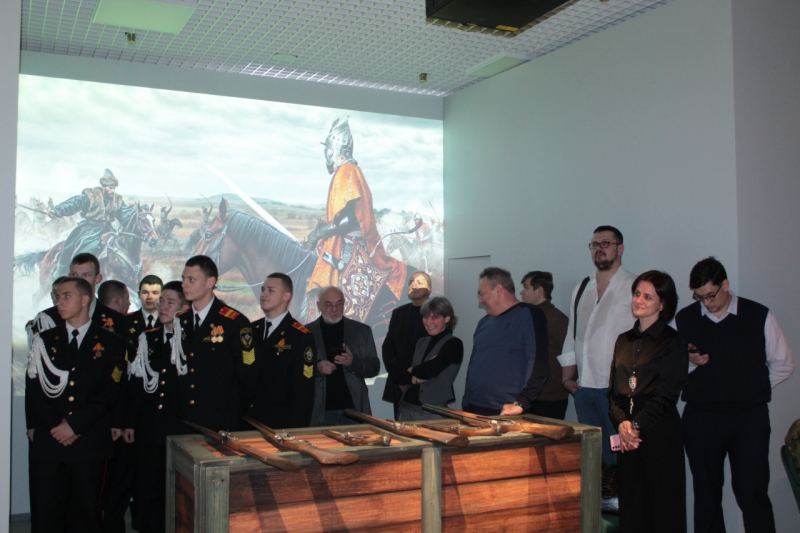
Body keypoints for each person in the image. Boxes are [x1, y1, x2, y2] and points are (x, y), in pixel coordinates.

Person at [675, 257, 794, 533]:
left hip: (748, 419)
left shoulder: (759, 315)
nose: (707, 303)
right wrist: (690, 363)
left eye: (711, 295)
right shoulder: (684, 319)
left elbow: (784, 363)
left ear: (725, 285)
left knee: (752, 492)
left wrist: (751, 387)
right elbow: (672, 371)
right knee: (706, 493)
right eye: (700, 297)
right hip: (701, 417)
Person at [26, 277, 124, 532]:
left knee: (87, 515)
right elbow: (35, 391)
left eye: (66, 296)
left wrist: (74, 426)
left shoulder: (111, 342)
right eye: (58, 297)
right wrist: (56, 427)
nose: (59, 302)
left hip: (88, 442)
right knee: (47, 514)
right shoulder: (43, 341)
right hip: (51, 440)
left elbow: (109, 393)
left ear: (84, 300)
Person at [303, 118, 407, 322]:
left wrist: (317, 234)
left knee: (342, 292)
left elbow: (347, 220)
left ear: (334, 148)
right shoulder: (347, 171)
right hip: (344, 242)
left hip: (351, 245)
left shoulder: (347, 171)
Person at [608, 271, 688, 532]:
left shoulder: (673, 341)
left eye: (648, 297)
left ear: (662, 304)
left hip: (658, 431)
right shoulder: (623, 340)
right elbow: (613, 393)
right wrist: (622, 424)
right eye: (637, 294)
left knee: (664, 507)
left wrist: (635, 426)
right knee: (632, 506)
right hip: (627, 432)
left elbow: (667, 394)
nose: (639, 300)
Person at [558, 225, 637, 473]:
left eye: (605, 244)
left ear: (620, 249)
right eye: (595, 245)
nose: (599, 249)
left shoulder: (634, 286)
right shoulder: (582, 287)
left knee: (622, 459)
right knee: (595, 460)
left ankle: (623, 497)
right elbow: (573, 333)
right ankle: (602, 496)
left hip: (616, 391)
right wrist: (567, 378)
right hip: (584, 390)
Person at [124, 281, 188, 533]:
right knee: (149, 489)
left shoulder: (191, 340)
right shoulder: (147, 338)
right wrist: (130, 422)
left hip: (180, 428)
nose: (162, 306)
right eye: (162, 301)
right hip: (150, 428)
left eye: (170, 302)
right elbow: (137, 385)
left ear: (184, 308)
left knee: (180, 492)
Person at [176, 255, 255, 432]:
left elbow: (248, 375)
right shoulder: (180, 321)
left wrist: (234, 413)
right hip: (184, 420)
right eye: (183, 279)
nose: (184, 285)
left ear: (210, 282)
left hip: (219, 421)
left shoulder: (234, 322)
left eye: (191, 280)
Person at [461, 267, 549, 416]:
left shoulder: (529, 314)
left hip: (506, 410)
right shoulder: (484, 322)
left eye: (482, 294)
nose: (480, 301)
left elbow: (538, 362)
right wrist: (467, 400)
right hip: (474, 407)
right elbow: (474, 365)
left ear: (499, 290)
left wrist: (522, 402)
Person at [246, 273, 317, 429]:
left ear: (286, 296)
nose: (263, 294)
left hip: (279, 424)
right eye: (263, 290)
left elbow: (303, 392)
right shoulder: (251, 330)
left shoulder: (300, 336)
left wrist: (296, 431)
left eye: (270, 290)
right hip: (247, 421)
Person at [308, 286, 380, 426]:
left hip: (354, 410)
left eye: (339, 303)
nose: (334, 309)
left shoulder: (362, 331)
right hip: (320, 412)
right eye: (328, 304)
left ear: (344, 304)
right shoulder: (307, 333)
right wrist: (317, 368)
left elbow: (374, 368)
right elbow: (296, 370)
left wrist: (353, 362)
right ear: (319, 306)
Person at [46, 169, 134, 275]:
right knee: (74, 247)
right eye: (110, 188)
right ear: (103, 187)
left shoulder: (117, 200)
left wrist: (137, 217)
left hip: (108, 229)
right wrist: (56, 211)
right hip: (89, 229)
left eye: (114, 188)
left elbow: (125, 214)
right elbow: (73, 204)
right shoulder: (91, 196)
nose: (112, 191)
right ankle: (67, 274)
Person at [396, 297, 463, 421]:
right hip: (405, 409)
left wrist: (411, 370)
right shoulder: (420, 342)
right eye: (425, 317)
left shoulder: (454, 344)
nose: (428, 322)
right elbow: (397, 373)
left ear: (447, 318)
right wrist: (415, 379)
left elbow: (429, 371)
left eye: (433, 318)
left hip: (432, 412)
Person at [381, 272, 432, 418]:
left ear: (430, 288)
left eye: (419, 282)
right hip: (399, 384)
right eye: (410, 282)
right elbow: (388, 348)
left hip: (426, 384)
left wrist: (412, 377)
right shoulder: (399, 313)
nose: (414, 286)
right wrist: (400, 378)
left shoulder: (437, 314)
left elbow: (436, 350)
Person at [520, 271, 569, 420]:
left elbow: (571, 356)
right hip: (525, 395)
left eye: (526, 288)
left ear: (540, 291)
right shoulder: (524, 317)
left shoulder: (558, 319)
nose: (521, 292)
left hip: (550, 398)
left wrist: (567, 382)